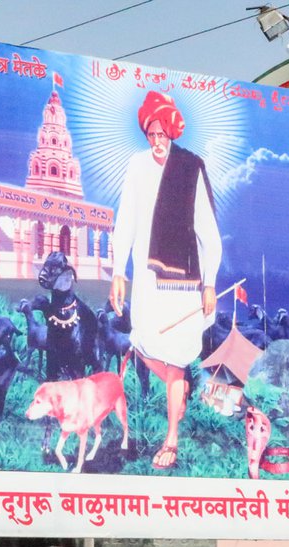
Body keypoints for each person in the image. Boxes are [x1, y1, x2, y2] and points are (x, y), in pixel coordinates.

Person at [110, 90, 222, 470]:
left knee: (175, 358)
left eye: (163, 134)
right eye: (151, 135)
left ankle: (171, 438)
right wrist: (118, 273)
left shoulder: (190, 167)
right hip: (145, 278)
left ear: (172, 131)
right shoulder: (137, 166)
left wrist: (209, 282)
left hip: (183, 284)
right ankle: (182, 382)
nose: (158, 142)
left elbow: (207, 228)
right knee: (141, 342)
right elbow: (124, 221)